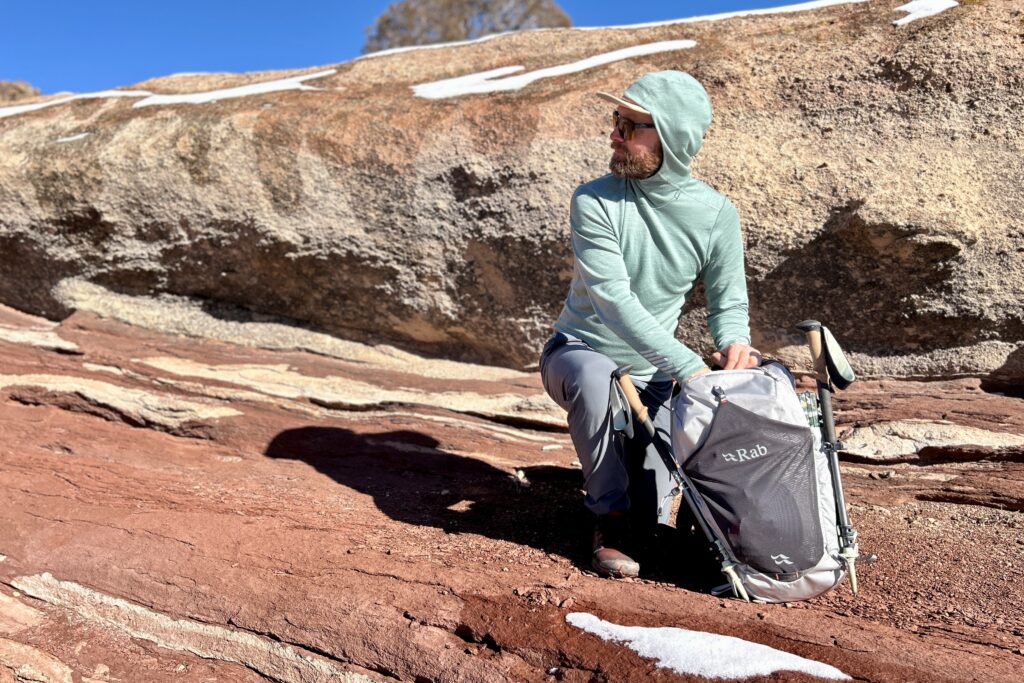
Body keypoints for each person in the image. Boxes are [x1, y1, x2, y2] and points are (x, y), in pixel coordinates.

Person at [539, 70, 761, 578]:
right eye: (616, 120)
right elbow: (612, 299)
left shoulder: (716, 215)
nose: (614, 133)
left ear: (674, 137)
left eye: (632, 125)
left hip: (656, 376)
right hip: (577, 353)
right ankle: (607, 520)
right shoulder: (594, 199)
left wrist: (734, 344)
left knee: (654, 507)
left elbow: (729, 304)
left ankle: (655, 515)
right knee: (597, 380)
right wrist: (688, 366)